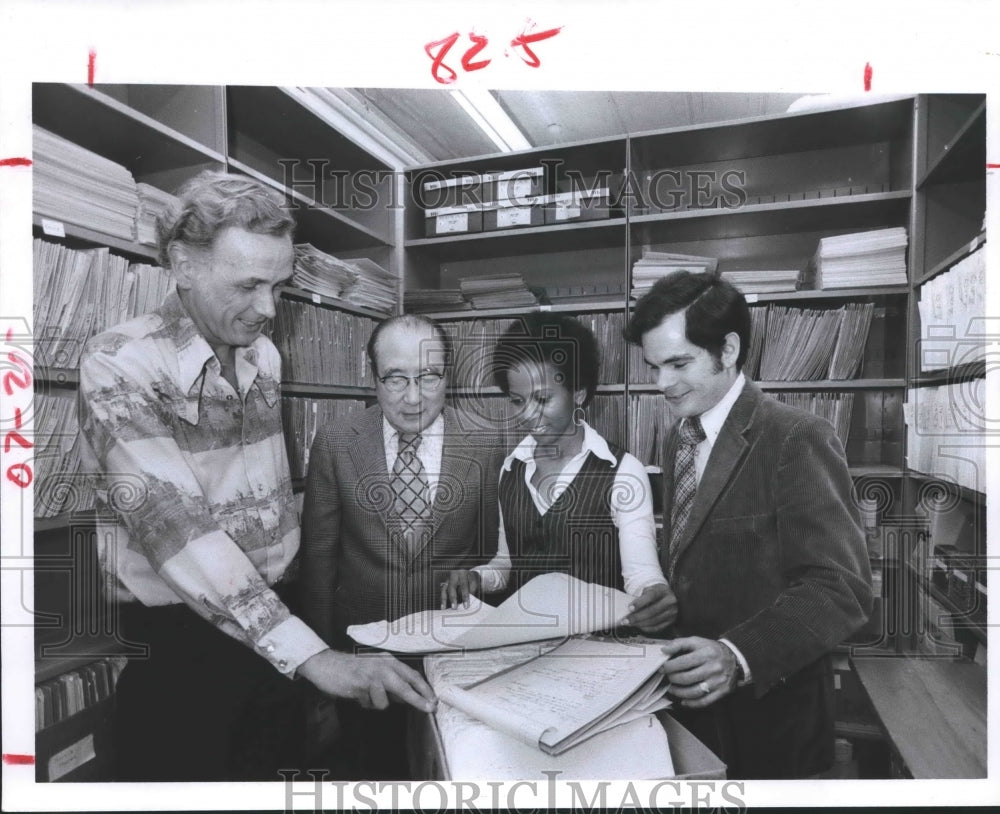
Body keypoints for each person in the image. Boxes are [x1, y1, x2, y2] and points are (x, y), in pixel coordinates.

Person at [77, 171, 434, 782]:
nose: (268, 309)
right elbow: (178, 532)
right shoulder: (119, 364)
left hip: (274, 626)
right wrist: (315, 656)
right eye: (247, 285)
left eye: (278, 285)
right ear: (183, 265)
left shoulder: (262, 354)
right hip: (183, 647)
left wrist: (302, 642)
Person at [623, 270, 873, 779]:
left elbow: (840, 589)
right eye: (653, 367)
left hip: (774, 723)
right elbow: (701, 555)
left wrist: (737, 655)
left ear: (729, 349)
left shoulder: (796, 437)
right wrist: (670, 595)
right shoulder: (681, 440)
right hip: (697, 710)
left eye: (678, 363)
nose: (661, 384)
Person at [299, 313, 504, 777]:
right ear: (372, 379)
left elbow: (496, 560)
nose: (413, 398)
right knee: (372, 778)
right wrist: (323, 672)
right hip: (364, 665)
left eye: (428, 377)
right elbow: (318, 564)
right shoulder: (336, 442)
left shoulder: (488, 443)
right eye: (396, 379)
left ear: (447, 375)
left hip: (456, 665)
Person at [440, 313, 677, 633]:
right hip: (523, 646)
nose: (528, 415)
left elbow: (641, 575)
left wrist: (654, 594)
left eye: (543, 399)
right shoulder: (511, 469)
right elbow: (507, 564)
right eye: (517, 401)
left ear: (578, 393)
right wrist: (476, 576)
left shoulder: (623, 471)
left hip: (596, 653)